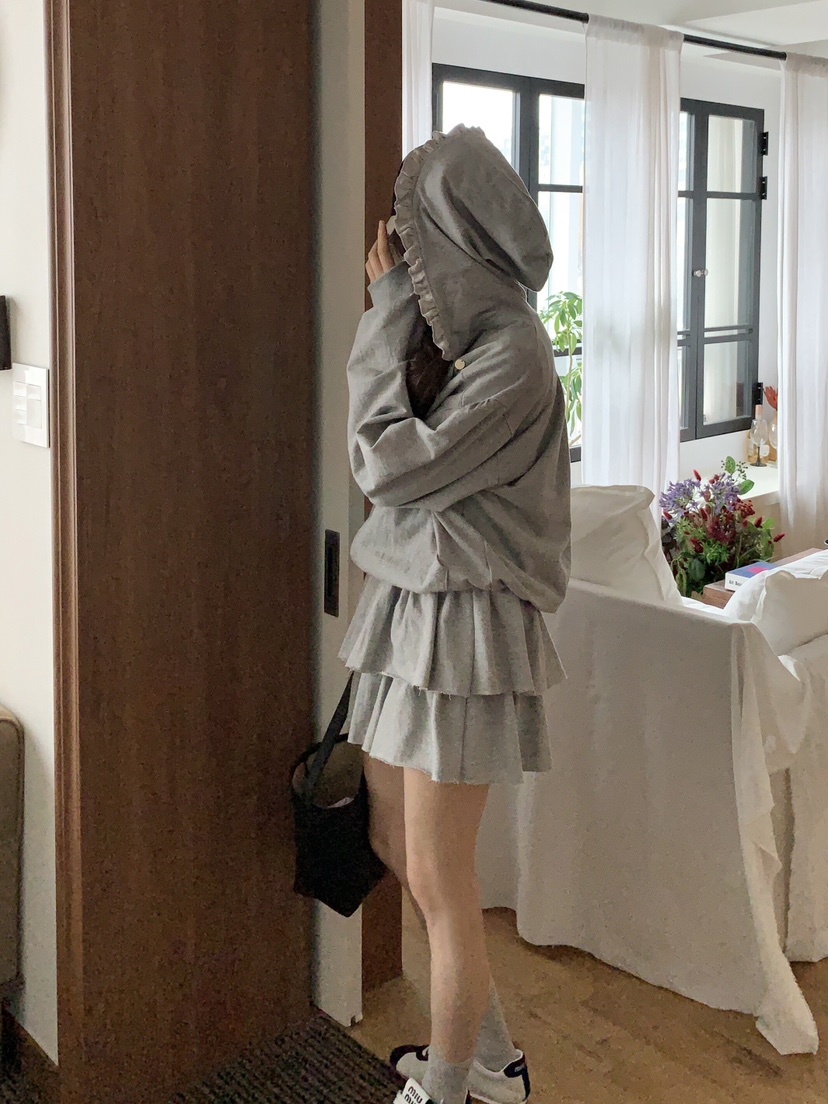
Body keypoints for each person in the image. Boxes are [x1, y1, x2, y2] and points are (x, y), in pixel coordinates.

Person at [340, 125, 571, 1104]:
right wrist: (404, 314)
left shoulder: (516, 353)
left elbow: (386, 466)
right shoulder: (464, 342)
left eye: (413, 227)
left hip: (464, 627)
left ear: (455, 231)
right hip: (413, 613)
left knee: (442, 876)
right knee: (397, 846)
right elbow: (396, 469)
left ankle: (444, 1091)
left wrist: (392, 305)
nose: (397, 245)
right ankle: (495, 1064)